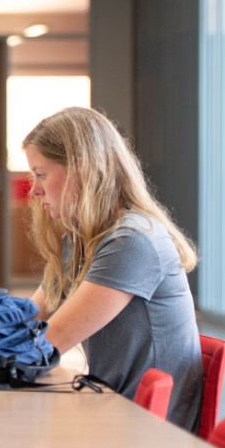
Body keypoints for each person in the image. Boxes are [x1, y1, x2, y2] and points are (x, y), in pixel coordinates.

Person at [22, 106, 202, 431]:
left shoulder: (131, 241)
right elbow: (27, 318)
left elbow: (46, 343)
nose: (33, 190)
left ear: (82, 170)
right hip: (117, 413)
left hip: (149, 434)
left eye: (41, 174)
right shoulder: (84, 241)